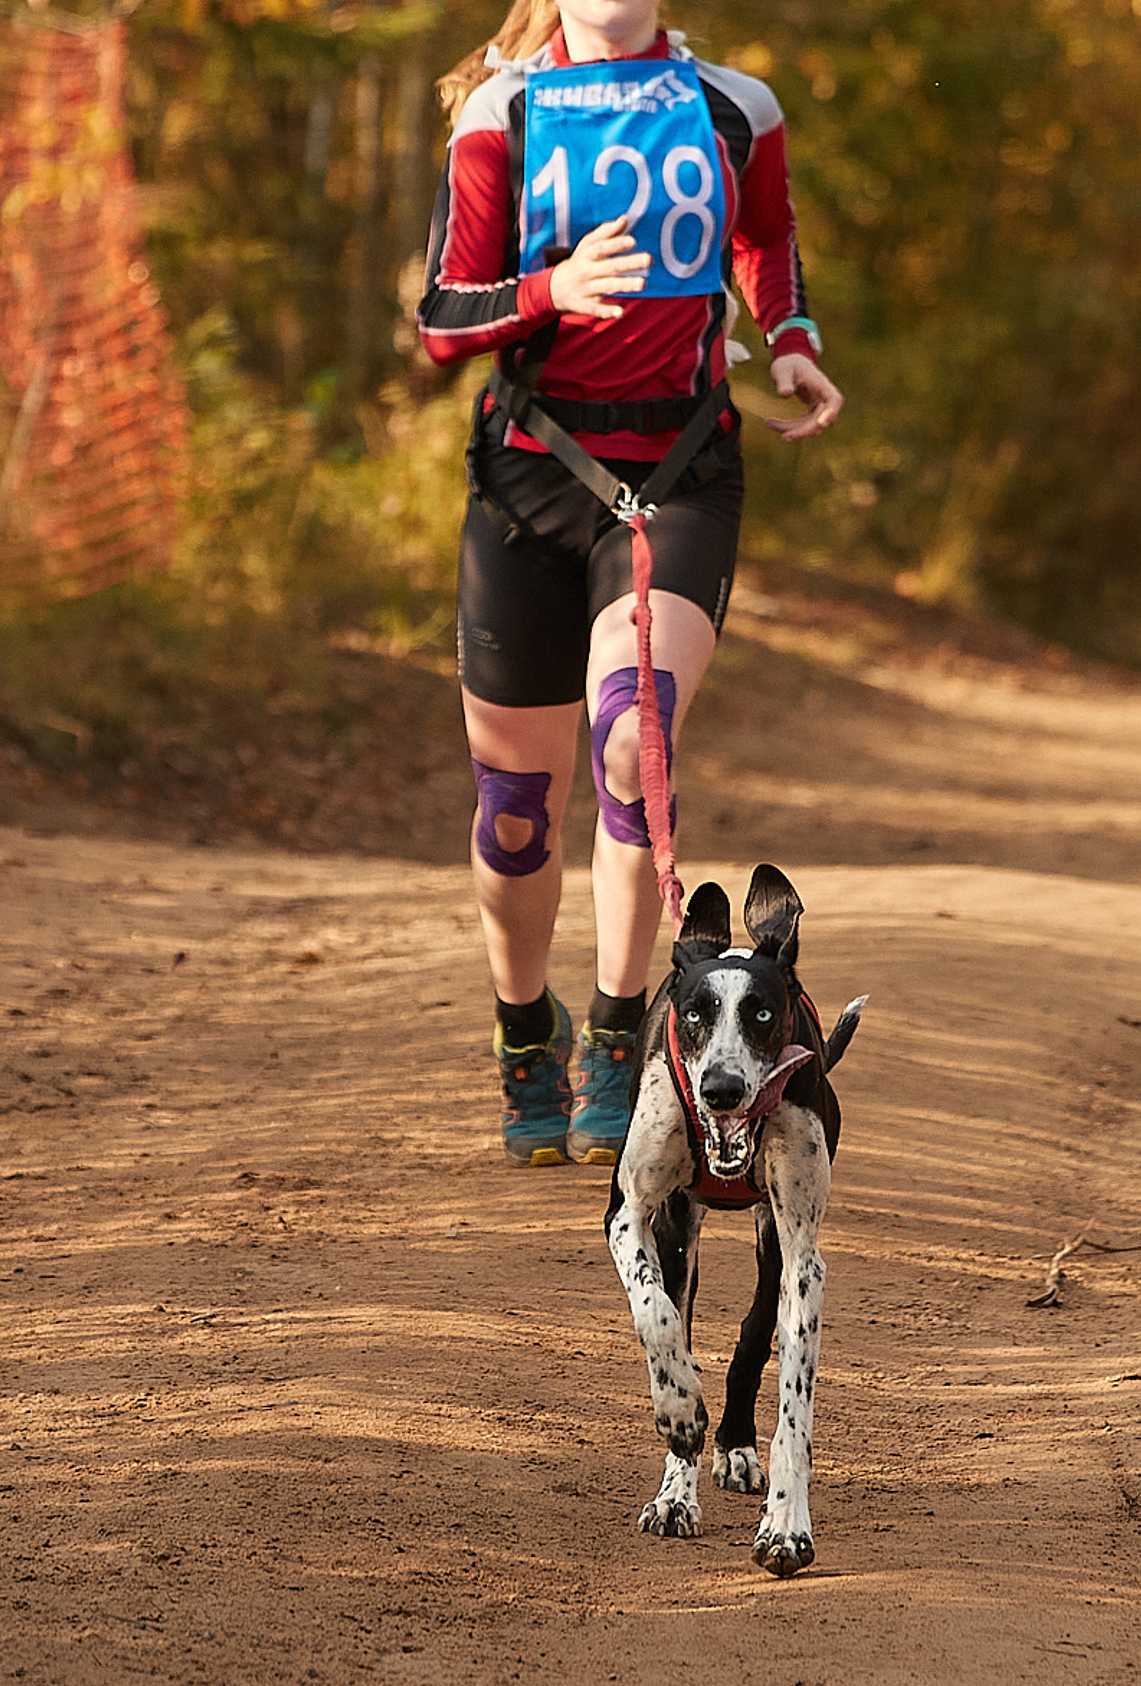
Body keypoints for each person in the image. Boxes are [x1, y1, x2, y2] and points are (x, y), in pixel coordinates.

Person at [419, 0, 842, 1167]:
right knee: (514, 814)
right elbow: (442, 318)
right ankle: (524, 1034)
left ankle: (619, 1028)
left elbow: (767, 238)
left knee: (630, 740)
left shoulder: (735, 107)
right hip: (531, 474)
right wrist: (549, 291)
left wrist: (791, 336)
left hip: (681, 469)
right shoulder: (503, 112)